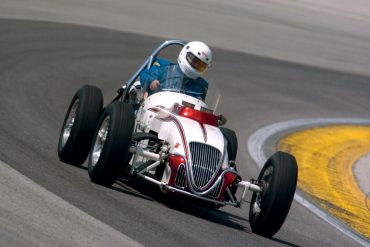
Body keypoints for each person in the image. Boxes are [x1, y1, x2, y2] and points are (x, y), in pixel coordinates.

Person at [140, 41, 212, 100]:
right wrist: (151, 82)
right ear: (184, 53)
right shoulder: (162, 66)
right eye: (194, 61)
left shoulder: (202, 85)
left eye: (201, 66)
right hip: (157, 107)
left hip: (184, 115)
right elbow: (144, 74)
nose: (196, 66)